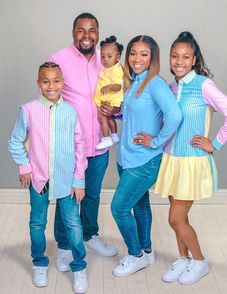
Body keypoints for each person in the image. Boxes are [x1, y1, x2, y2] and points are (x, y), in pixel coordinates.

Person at [154, 31, 227, 285]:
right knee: (180, 219)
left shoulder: (203, 85)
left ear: (194, 59)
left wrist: (215, 143)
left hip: (192, 162)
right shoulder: (171, 87)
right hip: (171, 160)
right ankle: (184, 258)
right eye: (174, 56)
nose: (179, 61)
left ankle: (199, 261)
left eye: (185, 56)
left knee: (175, 218)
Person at [8, 62, 88, 294]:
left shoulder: (70, 112)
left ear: (62, 82)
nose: (51, 86)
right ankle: (39, 263)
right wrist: (25, 167)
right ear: (38, 83)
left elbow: (79, 147)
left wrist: (79, 179)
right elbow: (15, 140)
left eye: (56, 80)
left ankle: (79, 266)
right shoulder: (29, 110)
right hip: (39, 179)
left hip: (67, 179)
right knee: (37, 222)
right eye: (46, 81)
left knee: (73, 224)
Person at [47, 13, 118, 267]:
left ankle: (89, 235)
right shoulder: (57, 59)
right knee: (66, 195)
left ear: (98, 33)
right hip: (71, 146)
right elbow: (46, 101)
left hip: (99, 143)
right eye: (81, 30)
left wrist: (115, 111)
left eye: (92, 30)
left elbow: (117, 93)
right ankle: (64, 245)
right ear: (73, 32)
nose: (87, 35)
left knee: (92, 195)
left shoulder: (108, 58)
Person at [110, 35, 182, 277]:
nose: (136, 58)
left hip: (144, 160)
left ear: (153, 57)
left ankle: (136, 255)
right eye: (133, 53)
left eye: (143, 54)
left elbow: (174, 116)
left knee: (119, 208)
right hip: (126, 158)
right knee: (140, 206)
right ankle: (147, 250)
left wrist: (157, 141)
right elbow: (136, 114)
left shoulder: (156, 84)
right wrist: (116, 114)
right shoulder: (134, 82)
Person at [94, 35, 124, 150]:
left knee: (102, 117)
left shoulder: (116, 69)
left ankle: (106, 139)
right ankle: (114, 135)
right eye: (102, 56)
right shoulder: (108, 68)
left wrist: (109, 87)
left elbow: (118, 86)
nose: (105, 59)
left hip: (111, 100)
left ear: (117, 57)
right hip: (108, 99)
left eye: (109, 56)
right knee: (109, 118)